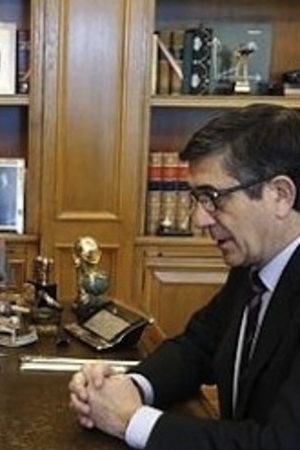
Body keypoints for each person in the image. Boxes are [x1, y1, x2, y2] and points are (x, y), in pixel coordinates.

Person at [68, 103, 300, 449]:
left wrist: (130, 421)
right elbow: (198, 348)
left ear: (280, 195)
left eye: (213, 198)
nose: (199, 220)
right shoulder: (253, 267)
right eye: (197, 199)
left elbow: (280, 443)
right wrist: (129, 387)